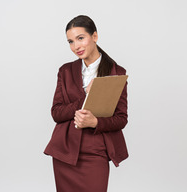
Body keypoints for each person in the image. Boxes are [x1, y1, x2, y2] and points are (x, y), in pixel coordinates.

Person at [44, 15, 128, 192]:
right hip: (65, 152)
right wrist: (87, 97)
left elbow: (121, 119)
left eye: (80, 38)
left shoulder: (116, 72)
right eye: (70, 41)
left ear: (94, 36)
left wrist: (95, 122)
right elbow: (56, 113)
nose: (76, 47)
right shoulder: (65, 71)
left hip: (96, 150)